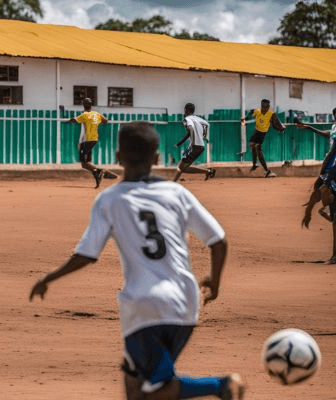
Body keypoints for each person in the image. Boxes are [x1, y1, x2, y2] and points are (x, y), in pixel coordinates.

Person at [30, 121, 244, 400]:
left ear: (118, 157)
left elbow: (87, 255)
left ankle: (222, 386)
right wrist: (214, 283)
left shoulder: (110, 200)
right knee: (134, 383)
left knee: (156, 391)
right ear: (156, 159)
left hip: (143, 307)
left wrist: (48, 278)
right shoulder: (177, 193)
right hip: (186, 303)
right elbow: (218, 241)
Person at [295, 107, 336, 264]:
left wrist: (324, 168)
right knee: (322, 191)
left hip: (332, 167)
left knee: (323, 189)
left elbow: (333, 149)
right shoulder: (334, 128)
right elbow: (328, 136)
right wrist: (309, 127)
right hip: (331, 167)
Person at [66, 98, 118, 188]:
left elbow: (74, 120)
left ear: (83, 105)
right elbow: (105, 121)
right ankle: (97, 172)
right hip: (94, 139)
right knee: (85, 163)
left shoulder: (84, 115)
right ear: (91, 105)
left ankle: (99, 171)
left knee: (84, 163)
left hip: (86, 140)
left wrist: (69, 120)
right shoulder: (96, 114)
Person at [240, 99, 285, 178]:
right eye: (262, 107)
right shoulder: (258, 111)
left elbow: (276, 122)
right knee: (251, 144)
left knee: (258, 148)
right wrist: (245, 118)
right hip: (256, 131)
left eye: (265, 108)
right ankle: (254, 164)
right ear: (261, 106)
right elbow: (251, 112)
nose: (264, 109)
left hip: (262, 133)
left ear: (268, 107)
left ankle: (267, 170)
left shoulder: (271, 114)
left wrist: (281, 128)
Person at [173, 103, 216, 182]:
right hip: (201, 146)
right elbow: (207, 124)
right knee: (184, 167)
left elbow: (191, 128)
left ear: (186, 110)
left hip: (194, 146)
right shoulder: (198, 119)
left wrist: (193, 142)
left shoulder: (187, 119)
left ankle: (173, 183)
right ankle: (208, 171)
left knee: (180, 167)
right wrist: (205, 136)